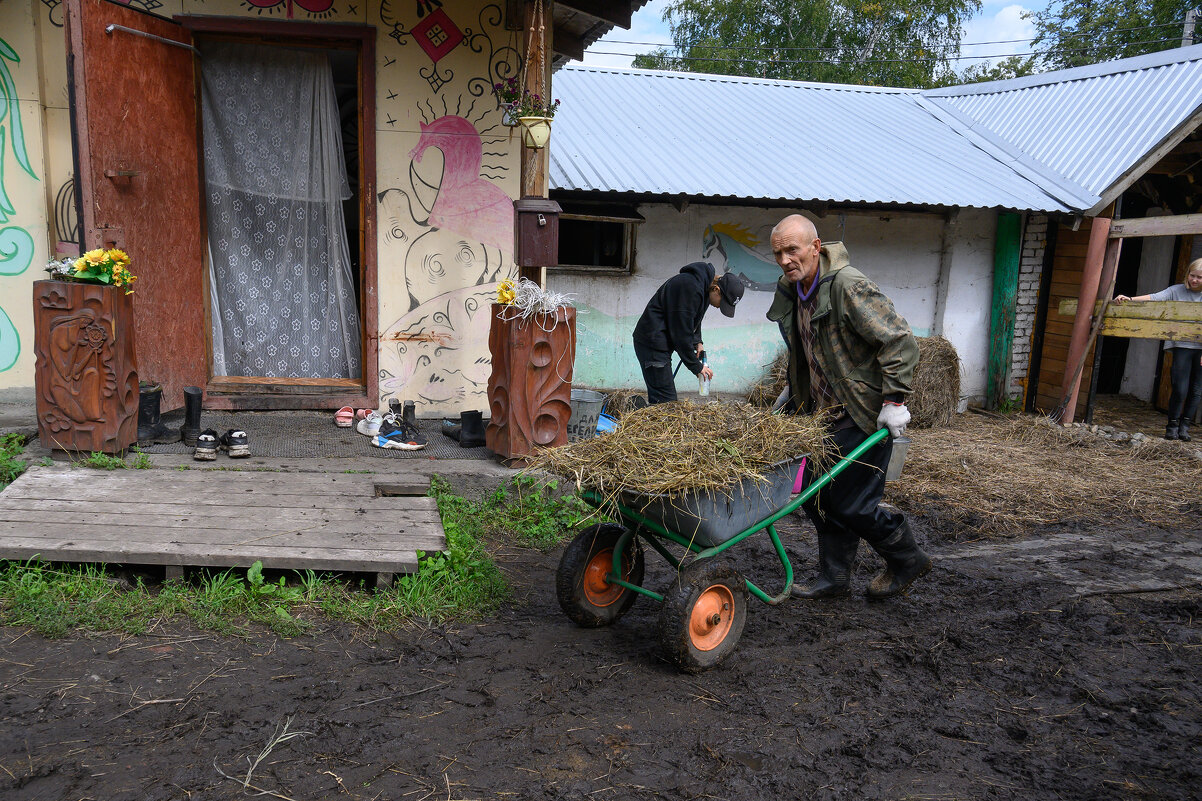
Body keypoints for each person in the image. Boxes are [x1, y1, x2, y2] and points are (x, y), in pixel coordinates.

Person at [767, 214, 929, 600]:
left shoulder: (848, 286)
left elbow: (900, 341)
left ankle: (907, 557)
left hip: (863, 411)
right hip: (823, 415)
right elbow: (810, 349)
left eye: (793, 250)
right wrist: (794, 390)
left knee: (852, 503)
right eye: (778, 253)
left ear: (815, 247)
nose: (786, 260)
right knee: (817, 496)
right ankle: (835, 577)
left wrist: (894, 402)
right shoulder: (794, 290)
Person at [1114, 259, 1202, 441]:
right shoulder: (1176, 290)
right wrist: (1130, 299)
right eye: (1192, 276)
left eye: (1199, 278)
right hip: (1182, 345)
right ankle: (1172, 426)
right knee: (1180, 388)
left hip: (1201, 348)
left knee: (1196, 390)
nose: (1194, 280)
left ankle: (1185, 427)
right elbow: (1155, 297)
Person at [632, 262, 744, 404]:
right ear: (716, 289)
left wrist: (698, 342)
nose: (719, 307)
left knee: (663, 398)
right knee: (666, 402)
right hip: (652, 343)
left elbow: (694, 319)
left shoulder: (703, 288)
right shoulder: (690, 287)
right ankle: (636, 412)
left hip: (660, 342)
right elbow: (681, 334)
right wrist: (696, 367)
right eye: (722, 303)